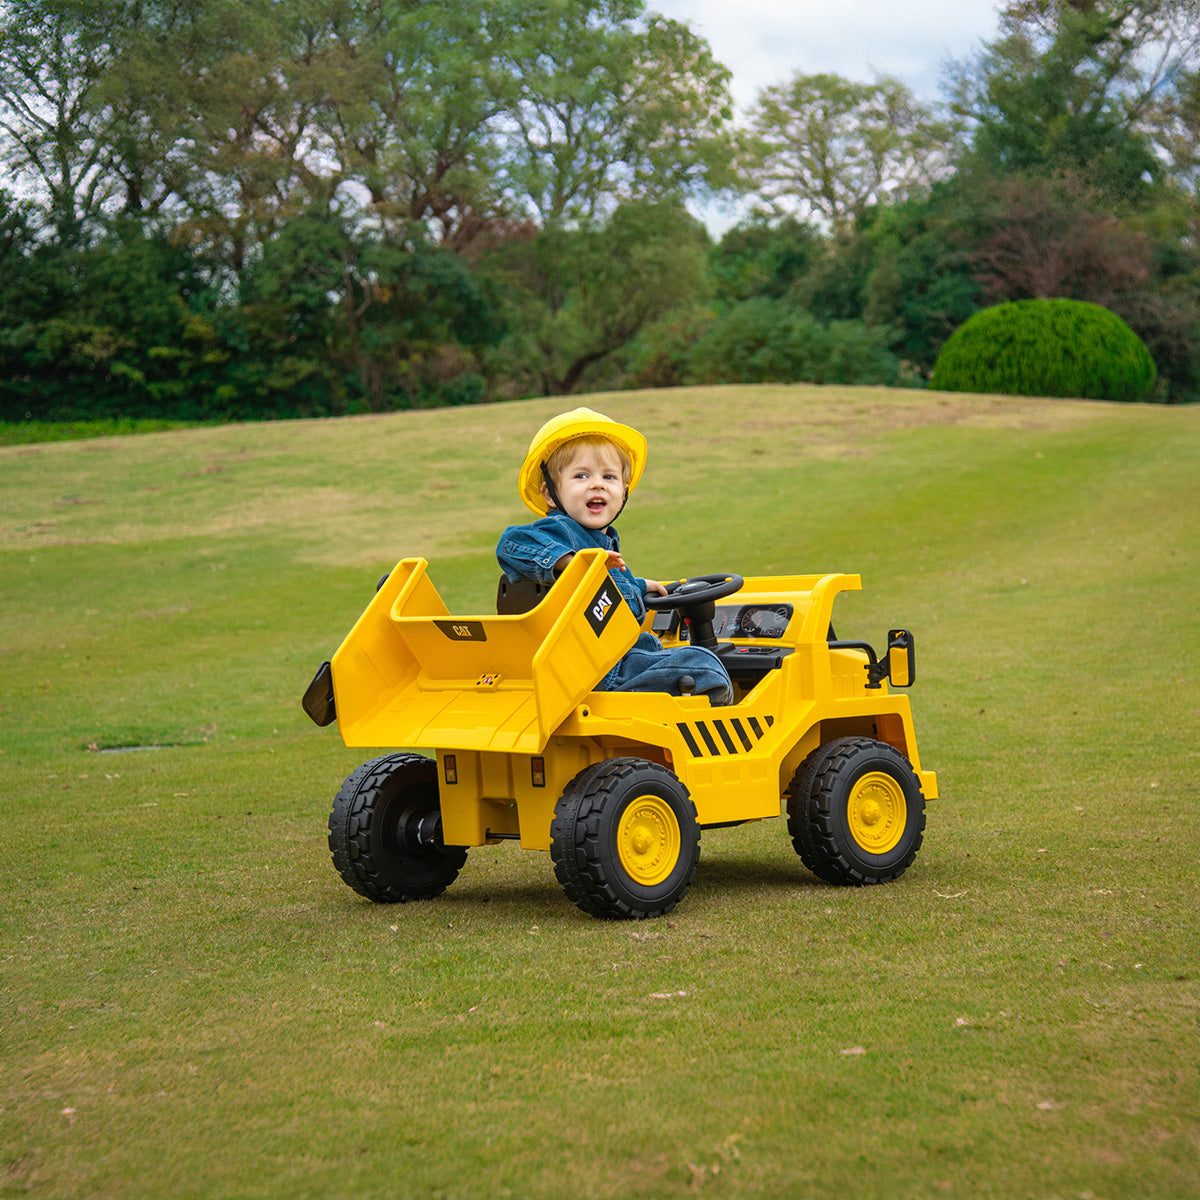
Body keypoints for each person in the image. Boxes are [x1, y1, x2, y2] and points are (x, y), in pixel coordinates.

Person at [497, 408, 735, 706]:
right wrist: (568, 562)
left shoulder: (603, 541)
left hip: (616, 660)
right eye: (581, 475)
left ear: (623, 492)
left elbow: (606, 597)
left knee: (686, 660)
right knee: (705, 665)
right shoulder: (561, 532)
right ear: (550, 494)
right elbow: (510, 544)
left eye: (608, 476)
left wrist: (638, 586)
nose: (597, 484)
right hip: (603, 670)